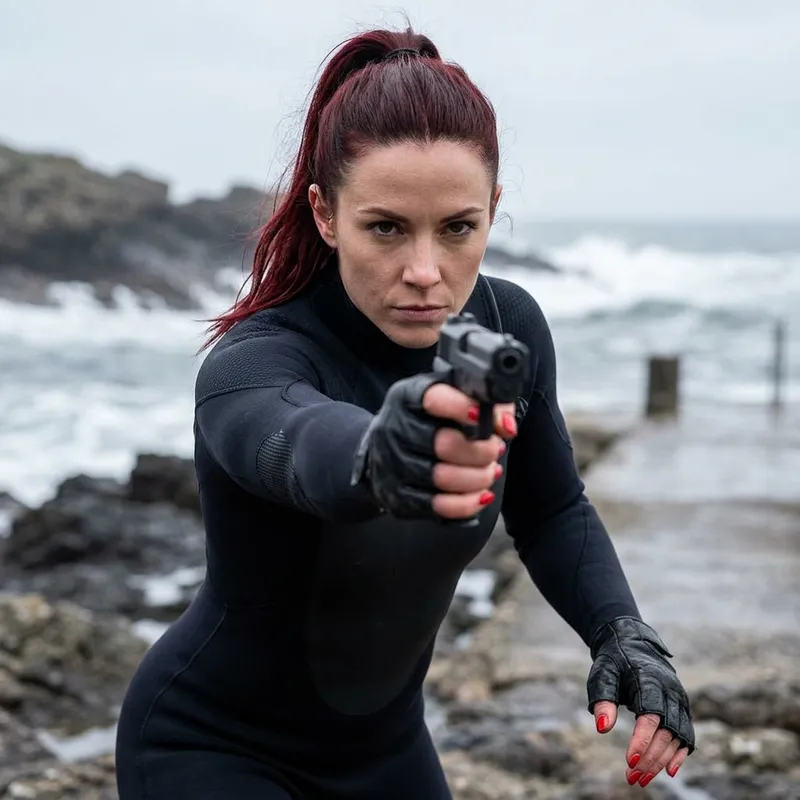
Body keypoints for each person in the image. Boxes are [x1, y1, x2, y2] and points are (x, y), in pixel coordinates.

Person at [115, 26, 695, 799]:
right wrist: (386, 450)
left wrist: (623, 633)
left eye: (458, 228)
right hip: (209, 748)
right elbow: (298, 445)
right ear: (325, 215)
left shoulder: (507, 330)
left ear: (493, 209)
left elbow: (553, 508)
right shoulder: (253, 364)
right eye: (385, 227)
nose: (425, 273)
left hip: (388, 758)